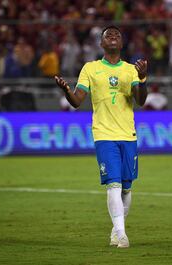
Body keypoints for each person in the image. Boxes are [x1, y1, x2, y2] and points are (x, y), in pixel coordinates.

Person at [54, 26, 148, 248]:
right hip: (104, 133)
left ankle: (116, 230)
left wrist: (143, 79)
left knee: (126, 186)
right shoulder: (90, 68)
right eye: (108, 35)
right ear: (101, 43)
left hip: (128, 134)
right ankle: (121, 233)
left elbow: (141, 101)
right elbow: (77, 101)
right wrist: (66, 90)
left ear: (122, 43)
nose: (113, 37)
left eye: (117, 35)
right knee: (113, 184)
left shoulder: (130, 69)